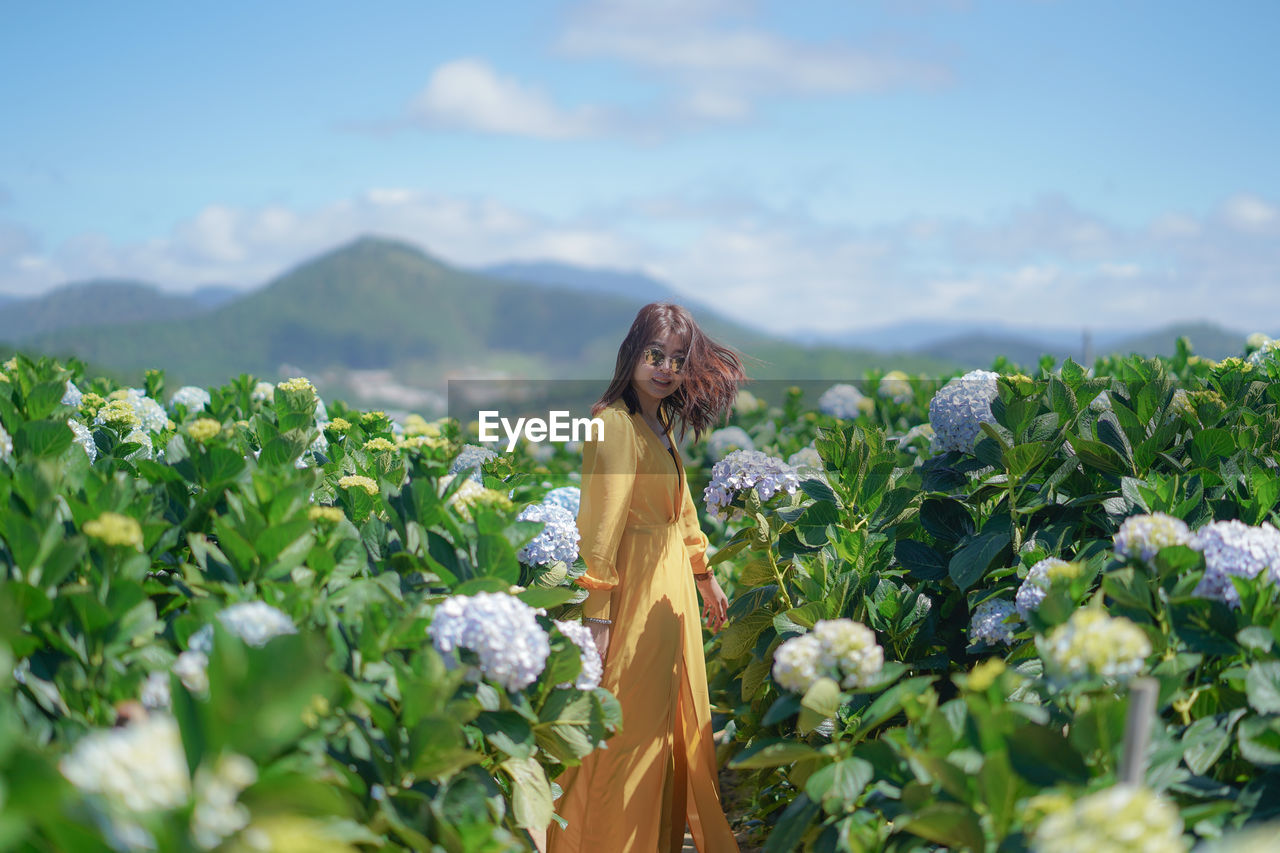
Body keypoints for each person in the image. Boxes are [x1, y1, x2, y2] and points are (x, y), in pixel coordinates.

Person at [546, 303, 745, 853]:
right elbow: (601, 527)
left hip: (671, 587)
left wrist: (704, 576)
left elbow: (681, 511)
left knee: (665, 724)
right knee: (625, 729)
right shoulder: (613, 423)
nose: (665, 368)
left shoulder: (657, 422)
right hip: (634, 589)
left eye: (677, 360)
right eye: (655, 355)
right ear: (632, 352)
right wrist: (598, 616)